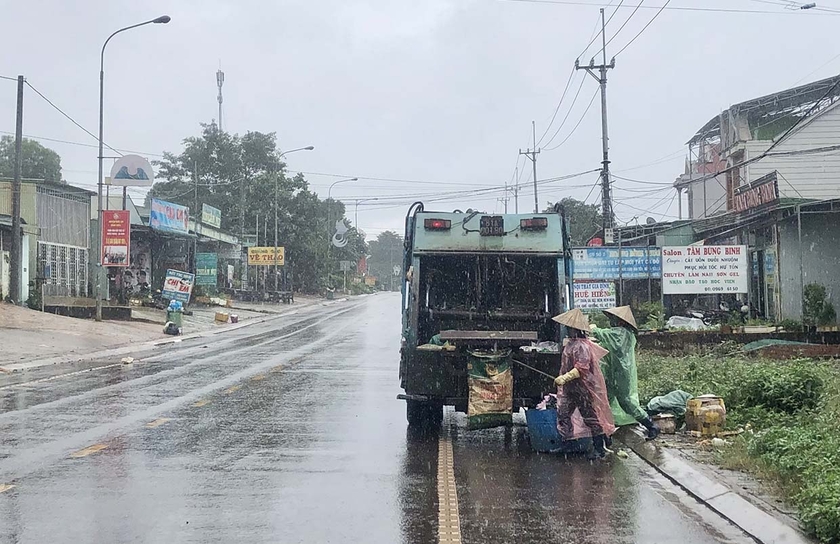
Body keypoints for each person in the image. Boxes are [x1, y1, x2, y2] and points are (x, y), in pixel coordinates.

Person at [553, 308, 616, 460]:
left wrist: (565, 377)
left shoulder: (582, 346)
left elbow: (582, 367)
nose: (568, 330)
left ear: (576, 329)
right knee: (563, 414)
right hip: (570, 388)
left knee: (590, 417)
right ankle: (567, 445)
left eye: (570, 328)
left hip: (583, 388)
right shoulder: (570, 344)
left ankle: (600, 448)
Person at [592, 306, 660, 440]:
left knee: (626, 402)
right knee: (606, 401)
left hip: (621, 373)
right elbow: (605, 344)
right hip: (613, 373)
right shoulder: (618, 333)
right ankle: (606, 433)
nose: (611, 321)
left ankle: (650, 424)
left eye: (613, 319)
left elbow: (609, 338)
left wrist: (595, 329)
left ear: (621, 321)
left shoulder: (622, 334)